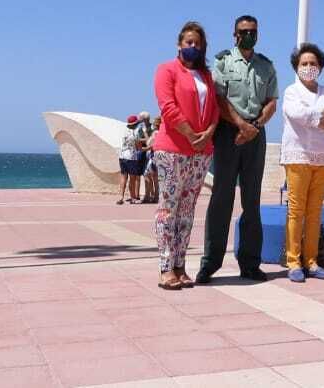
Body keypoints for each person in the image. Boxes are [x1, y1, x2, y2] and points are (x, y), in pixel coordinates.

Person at [197, 15, 279, 285]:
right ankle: (210, 263)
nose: (248, 35)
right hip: (228, 134)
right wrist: (241, 124)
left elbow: (271, 102)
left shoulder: (266, 66)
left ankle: (250, 263)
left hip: (255, 134)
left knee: (252, 202)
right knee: (221, 198)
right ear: (234, 35)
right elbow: (219, 99)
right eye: (244, 31)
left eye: (253, 31)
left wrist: (254, 126)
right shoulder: (222, 61)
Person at [152, 21, 219, 290]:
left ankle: (180, 265)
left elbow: (214, 108)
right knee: (168, 211)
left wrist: (209, 132)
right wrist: (191, 134)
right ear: (180, 44)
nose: (193, 46)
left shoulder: (206, 76)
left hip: (200, 153)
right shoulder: (166, 70)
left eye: (198, 43)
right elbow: (167, 106)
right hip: (172, 150)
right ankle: (166, 267)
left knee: (187, 211)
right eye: (188, 42)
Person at [280, 42, 324, 283]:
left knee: (315, 211)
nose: (308, 67)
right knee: (296, 210)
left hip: (323, 157)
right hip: (298, 155)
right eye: (304, 63)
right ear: (296, 67)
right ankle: (293, 261)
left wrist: (322, 115)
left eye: (313, 63)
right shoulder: (291, 92)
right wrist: (321, 117)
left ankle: (312, 260)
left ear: (321, 67)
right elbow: (297, 114)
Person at [118, 115, 146, 205]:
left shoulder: (124, 130)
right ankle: (133, 197)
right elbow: (139, 147)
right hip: (131, 157)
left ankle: (121, 197)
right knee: (132, 178)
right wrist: (148, 147)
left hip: (122, 156)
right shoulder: (136, 132)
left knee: (123, 177)